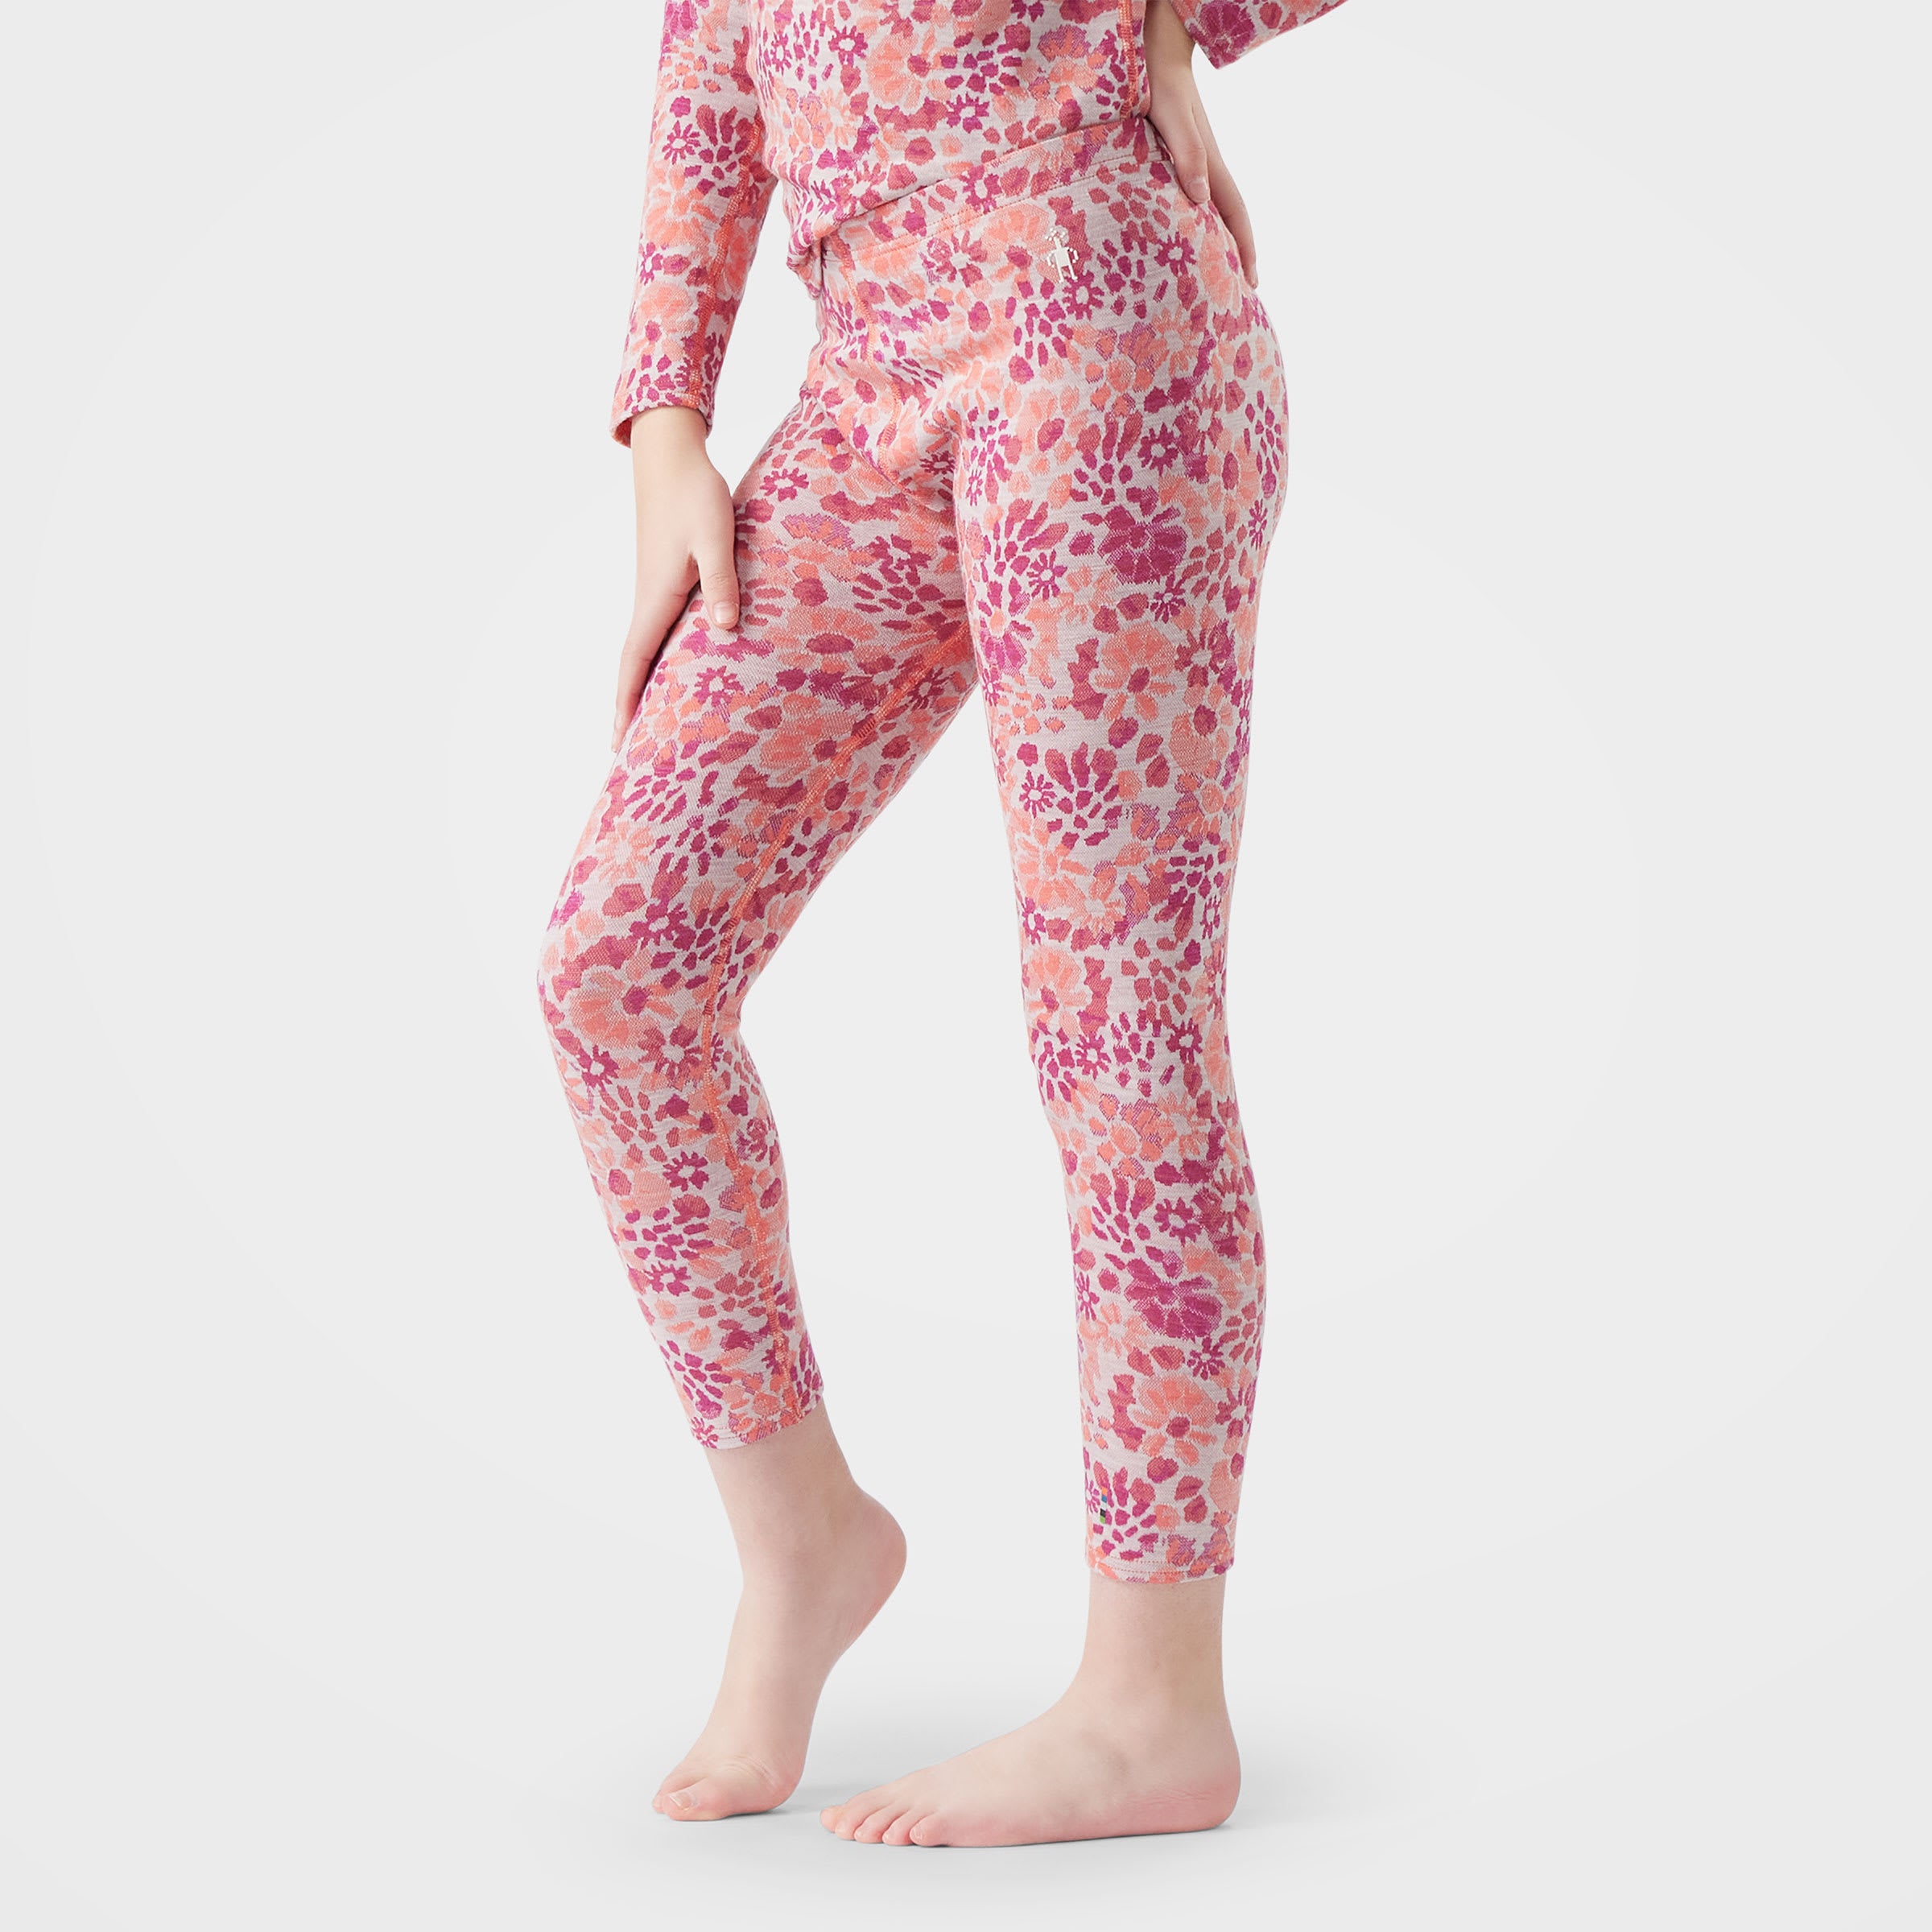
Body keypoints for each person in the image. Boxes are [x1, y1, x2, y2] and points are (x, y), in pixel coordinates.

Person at [537, 0, 1350, 1849]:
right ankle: (804, 1541)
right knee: (617, 969)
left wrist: (1181, 19)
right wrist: (667, 419)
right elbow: (710, 50)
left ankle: (1154, 1702)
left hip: (1099, 337)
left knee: (1117, 1029)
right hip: (869, 385)